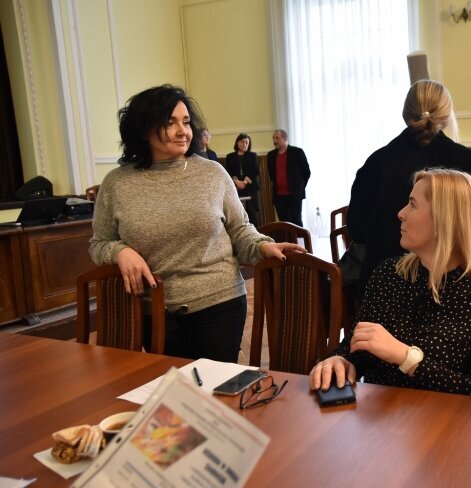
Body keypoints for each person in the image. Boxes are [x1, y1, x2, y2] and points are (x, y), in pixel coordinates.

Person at [89, 85, 304, 363]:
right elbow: (99, 244)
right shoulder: (117, 184)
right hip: (152, 311)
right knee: (170, 394)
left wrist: (262, 247)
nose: (183, 131)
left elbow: (240, 230)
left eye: (186, 122)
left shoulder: (213, 173)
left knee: (213, 396)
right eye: (170, 123)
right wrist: (119, 252)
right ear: (143, 129)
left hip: (219, 303)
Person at [311, 169, 471, 399]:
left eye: (413, 205)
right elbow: (357, 346)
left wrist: (407, 358)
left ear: (443, 219)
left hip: (449, 427)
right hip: (383, 420)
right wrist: (341, 360)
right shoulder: (389, 273)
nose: (400, 213)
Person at [348, 80, 471, 294]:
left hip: (386, 284)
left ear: (406, 114)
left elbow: (357, 230)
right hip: (454, 286)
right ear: (447, 115)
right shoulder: (470, 164)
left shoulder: (376, 163)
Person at [266, 129, 311, 227]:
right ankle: (286, 242)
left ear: (285, 138)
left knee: (296, 220)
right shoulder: (271, 155)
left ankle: (299, 242)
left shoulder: (297, 152)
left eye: (277, 138)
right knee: (283, 223)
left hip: (294, 194)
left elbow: (306, 172)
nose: (274, 141)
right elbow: (271, 173)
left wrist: (300, 187)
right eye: (273, 138)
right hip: (278, 195)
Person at [225, 133, 260, 227]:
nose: (245, 144)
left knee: (252, 213)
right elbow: (228, 171)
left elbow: (255, 171)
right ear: (237, 143)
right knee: (238, 213)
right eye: (242, 142)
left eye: (247, 142)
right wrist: (236, 182)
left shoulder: (252, 155)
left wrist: (244, 182)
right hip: (235, 189)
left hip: (250, 189)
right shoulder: (230, 156)